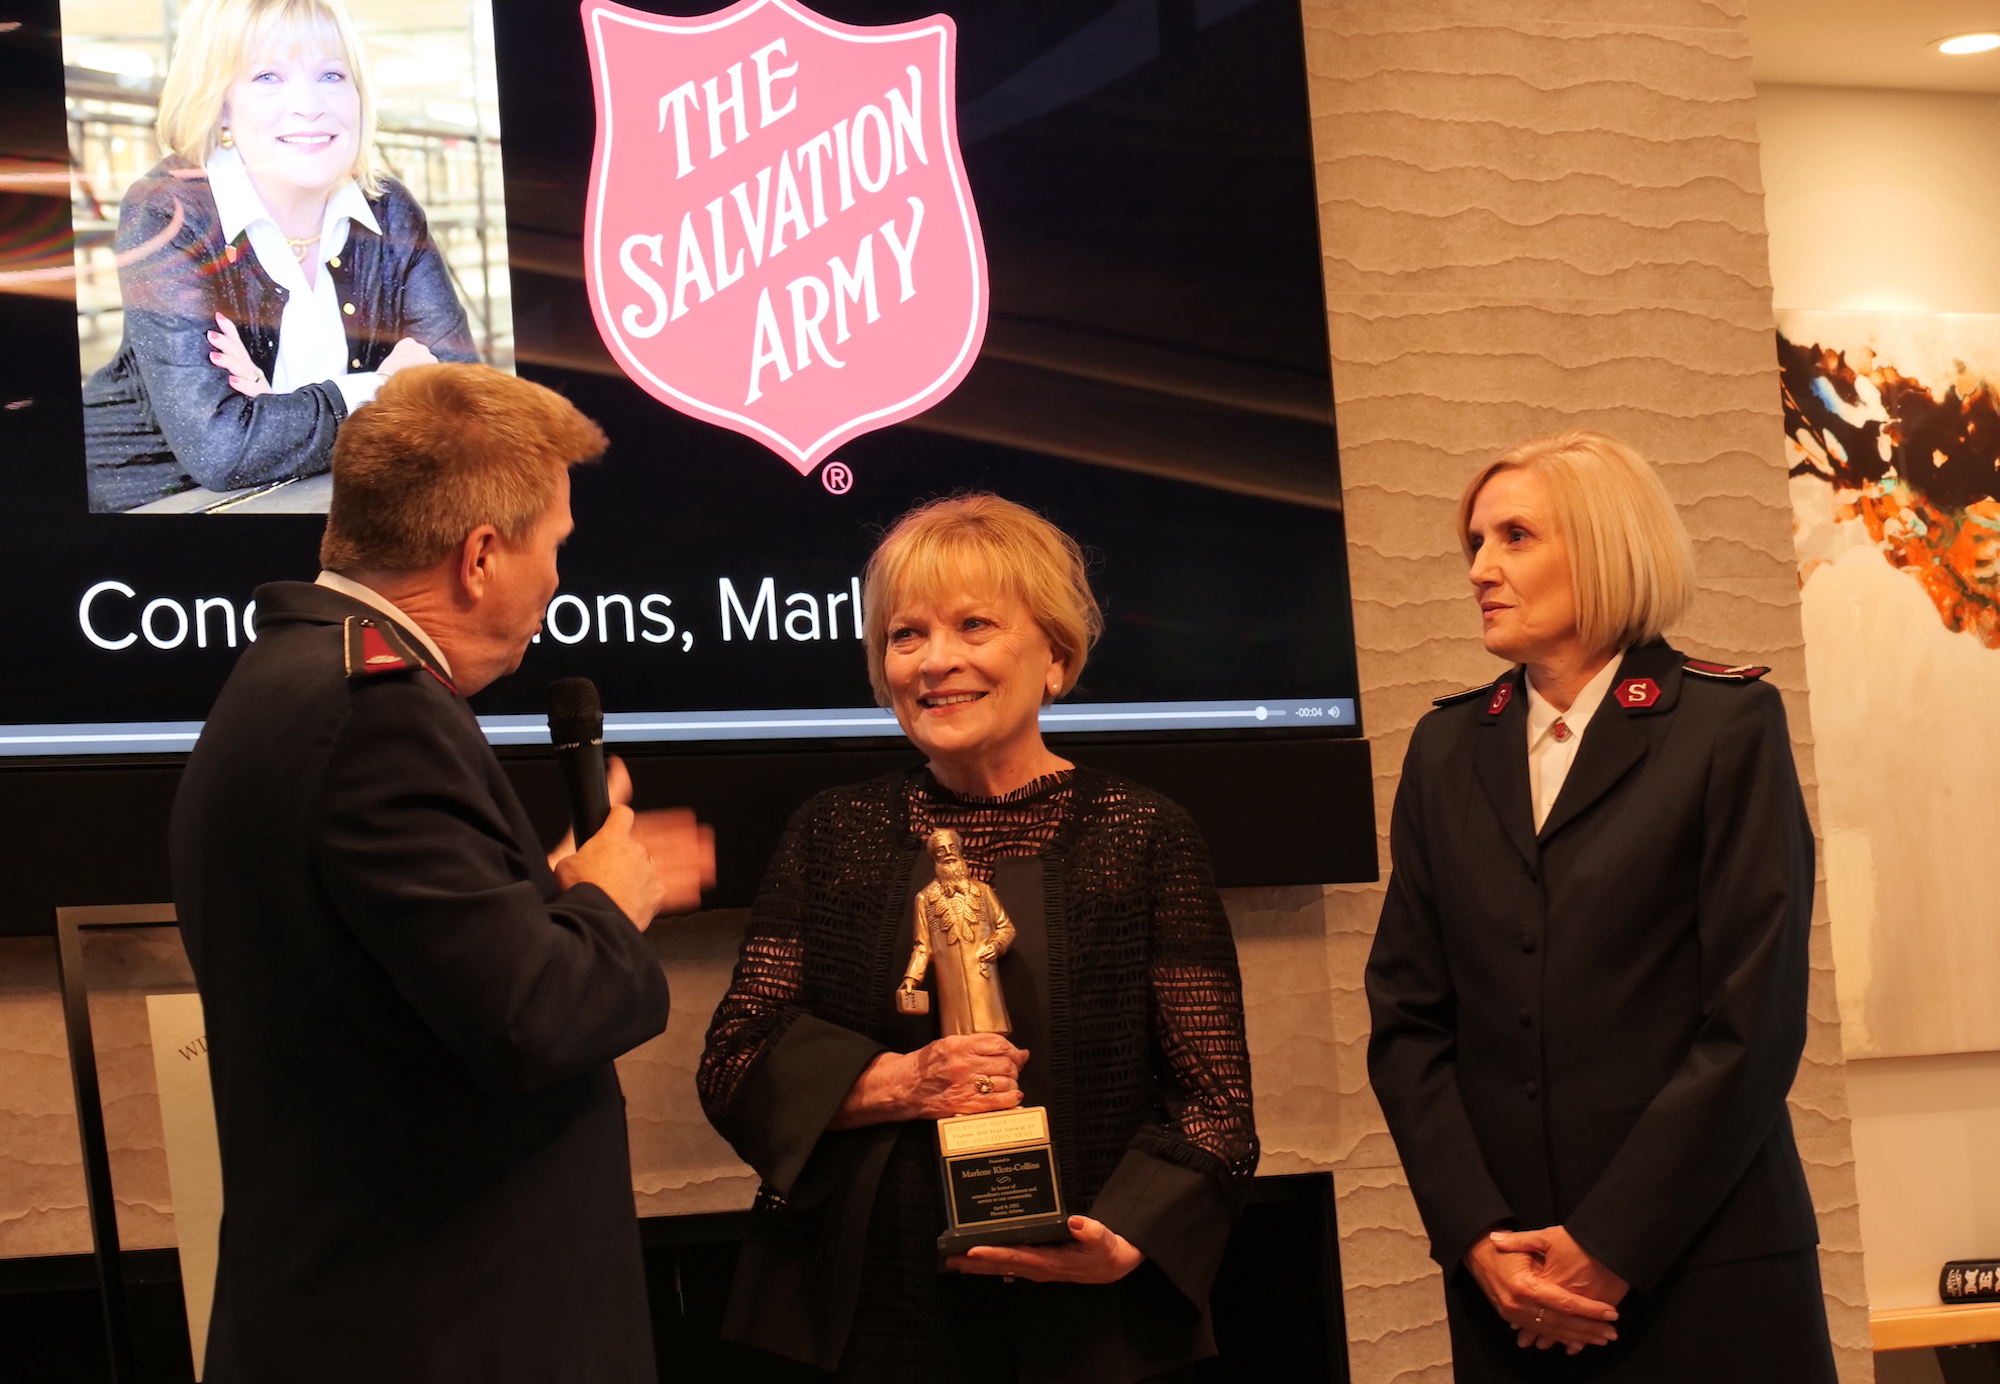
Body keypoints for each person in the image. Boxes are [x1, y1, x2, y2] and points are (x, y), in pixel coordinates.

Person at [170, 364, 714, 1383]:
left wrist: (546, 898)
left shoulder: (289, 679)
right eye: (553, 545)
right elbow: (532, 1018)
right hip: (437, 1331)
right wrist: (607, 899)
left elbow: (396, 982)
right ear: (479, 557)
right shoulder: (380, 715)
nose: (556, 578)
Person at [697, 494, 1258, 1384]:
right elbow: (734, 1061)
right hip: (865, 1320)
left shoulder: (1141, 835)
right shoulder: (831, 832)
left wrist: (1127, 1238)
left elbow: (1215, 1105)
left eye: (974, 625)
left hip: (1086, 1320)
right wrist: (900, 1083)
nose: (937, 662)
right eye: (906, 635)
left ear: (1058, 659)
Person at [1364, 431, 1833, 1380]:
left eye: (1516, 537)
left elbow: (1752, 1021)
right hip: (1511, 1286)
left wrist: (1608, 1247)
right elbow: (1408, 1020)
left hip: (1704, 1268)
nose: (1481, 570)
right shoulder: (1447, 748)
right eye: (1475, 544)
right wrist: (1477, 1237)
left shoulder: (1725, 725)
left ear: (1608, 545)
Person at [83, 0, 477, 513]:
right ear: (221, 102)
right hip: (158, 514)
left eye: (332, 75)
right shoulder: (169, 210)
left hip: (321, 501)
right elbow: (222, 452)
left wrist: (277, 409)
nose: (309, 105)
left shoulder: (389, 209)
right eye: (268, 76)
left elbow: (466, 398)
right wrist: (381, 391)